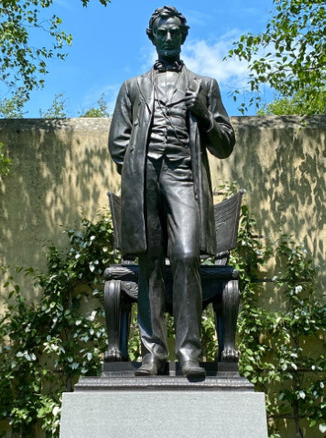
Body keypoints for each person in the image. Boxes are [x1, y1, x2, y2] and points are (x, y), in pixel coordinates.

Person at [108, 6, 235, 378]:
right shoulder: (132, 88)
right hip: (144, 178)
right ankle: (153, 354)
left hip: (184, 177)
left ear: (184, 35)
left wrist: (206, 116)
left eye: (174, 32)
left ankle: (189, 352)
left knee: (184, 256)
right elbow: (118, 143)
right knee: (148, 263)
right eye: (161, 32)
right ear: (151, 36)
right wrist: (137, 168)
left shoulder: (205, 86)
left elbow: (225, 144)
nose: (167, 38)